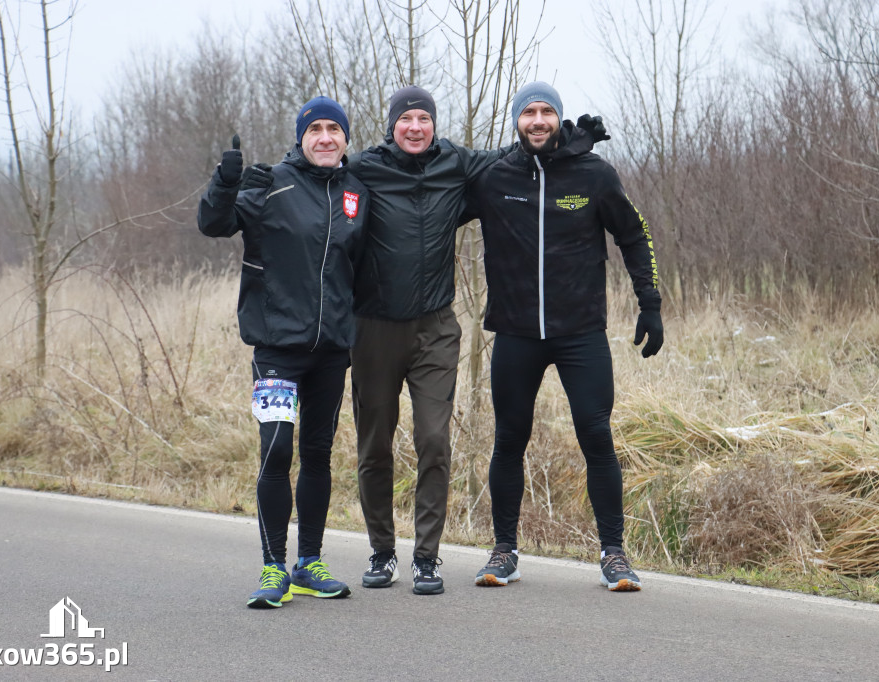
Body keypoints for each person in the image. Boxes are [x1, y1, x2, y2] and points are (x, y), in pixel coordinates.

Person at [242, 86, 609, 596]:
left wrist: (567, 146)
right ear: (391, 126)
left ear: (434, 126)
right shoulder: (364, 169)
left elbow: (516, 157)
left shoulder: (457, 164)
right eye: (405, 119)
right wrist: (276, 169)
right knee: (375, 445)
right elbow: (316, 172)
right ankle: (382, 551)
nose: (415, 127)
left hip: (435, 328)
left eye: (424, 119)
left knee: (434, 440)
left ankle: (427, 557)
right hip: (372, 328)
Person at [467, 82, 663, 592]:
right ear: (516, 120)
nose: (537, 120)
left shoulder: (594, 174)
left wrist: (651, 303)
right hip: (515, 332)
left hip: (580, 333)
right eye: (528, 112)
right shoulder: (492, 177)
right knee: (509, 439)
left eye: (546, 111)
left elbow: (634, 234)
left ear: (559, 117)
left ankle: (614, 554)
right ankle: (504, 550)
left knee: (596, 435)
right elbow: (427, 210)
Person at [197, 96, 369, 609]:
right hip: (277, 348)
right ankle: (273, 569)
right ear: (301, 138)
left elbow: (361, 266)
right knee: (276, 450)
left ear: (344, 139)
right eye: (314, 129)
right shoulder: (269, 183)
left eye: (333, 130)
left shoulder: (357, 190)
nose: (324, 137)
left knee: (318, 455)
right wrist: (225, 181)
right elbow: (214, 223)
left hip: (332, 350)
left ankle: (308, 563)